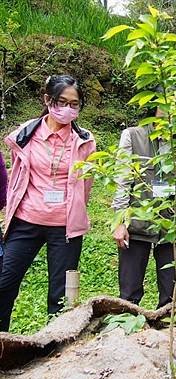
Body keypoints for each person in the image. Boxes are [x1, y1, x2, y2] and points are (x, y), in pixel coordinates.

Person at [0, 75, 95, 331]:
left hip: (65, 228)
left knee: (60, 295)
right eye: (61, 101)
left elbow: (86, 185)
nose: (67, 108)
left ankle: (53, 352)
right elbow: (18, 177)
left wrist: (74, 212)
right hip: (26, 221)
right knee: (4, 283)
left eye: (74, 104)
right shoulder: (25, 134)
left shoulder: (85, 140)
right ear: (48, 100)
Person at [111, 108, 176, 309]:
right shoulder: (133, 136)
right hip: (137, 224)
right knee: (129, 292)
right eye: (163, 110)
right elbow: (122, 180)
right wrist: (119, 222)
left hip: (172, 225)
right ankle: (127, 331)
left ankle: (165, 333)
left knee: (170, 295)